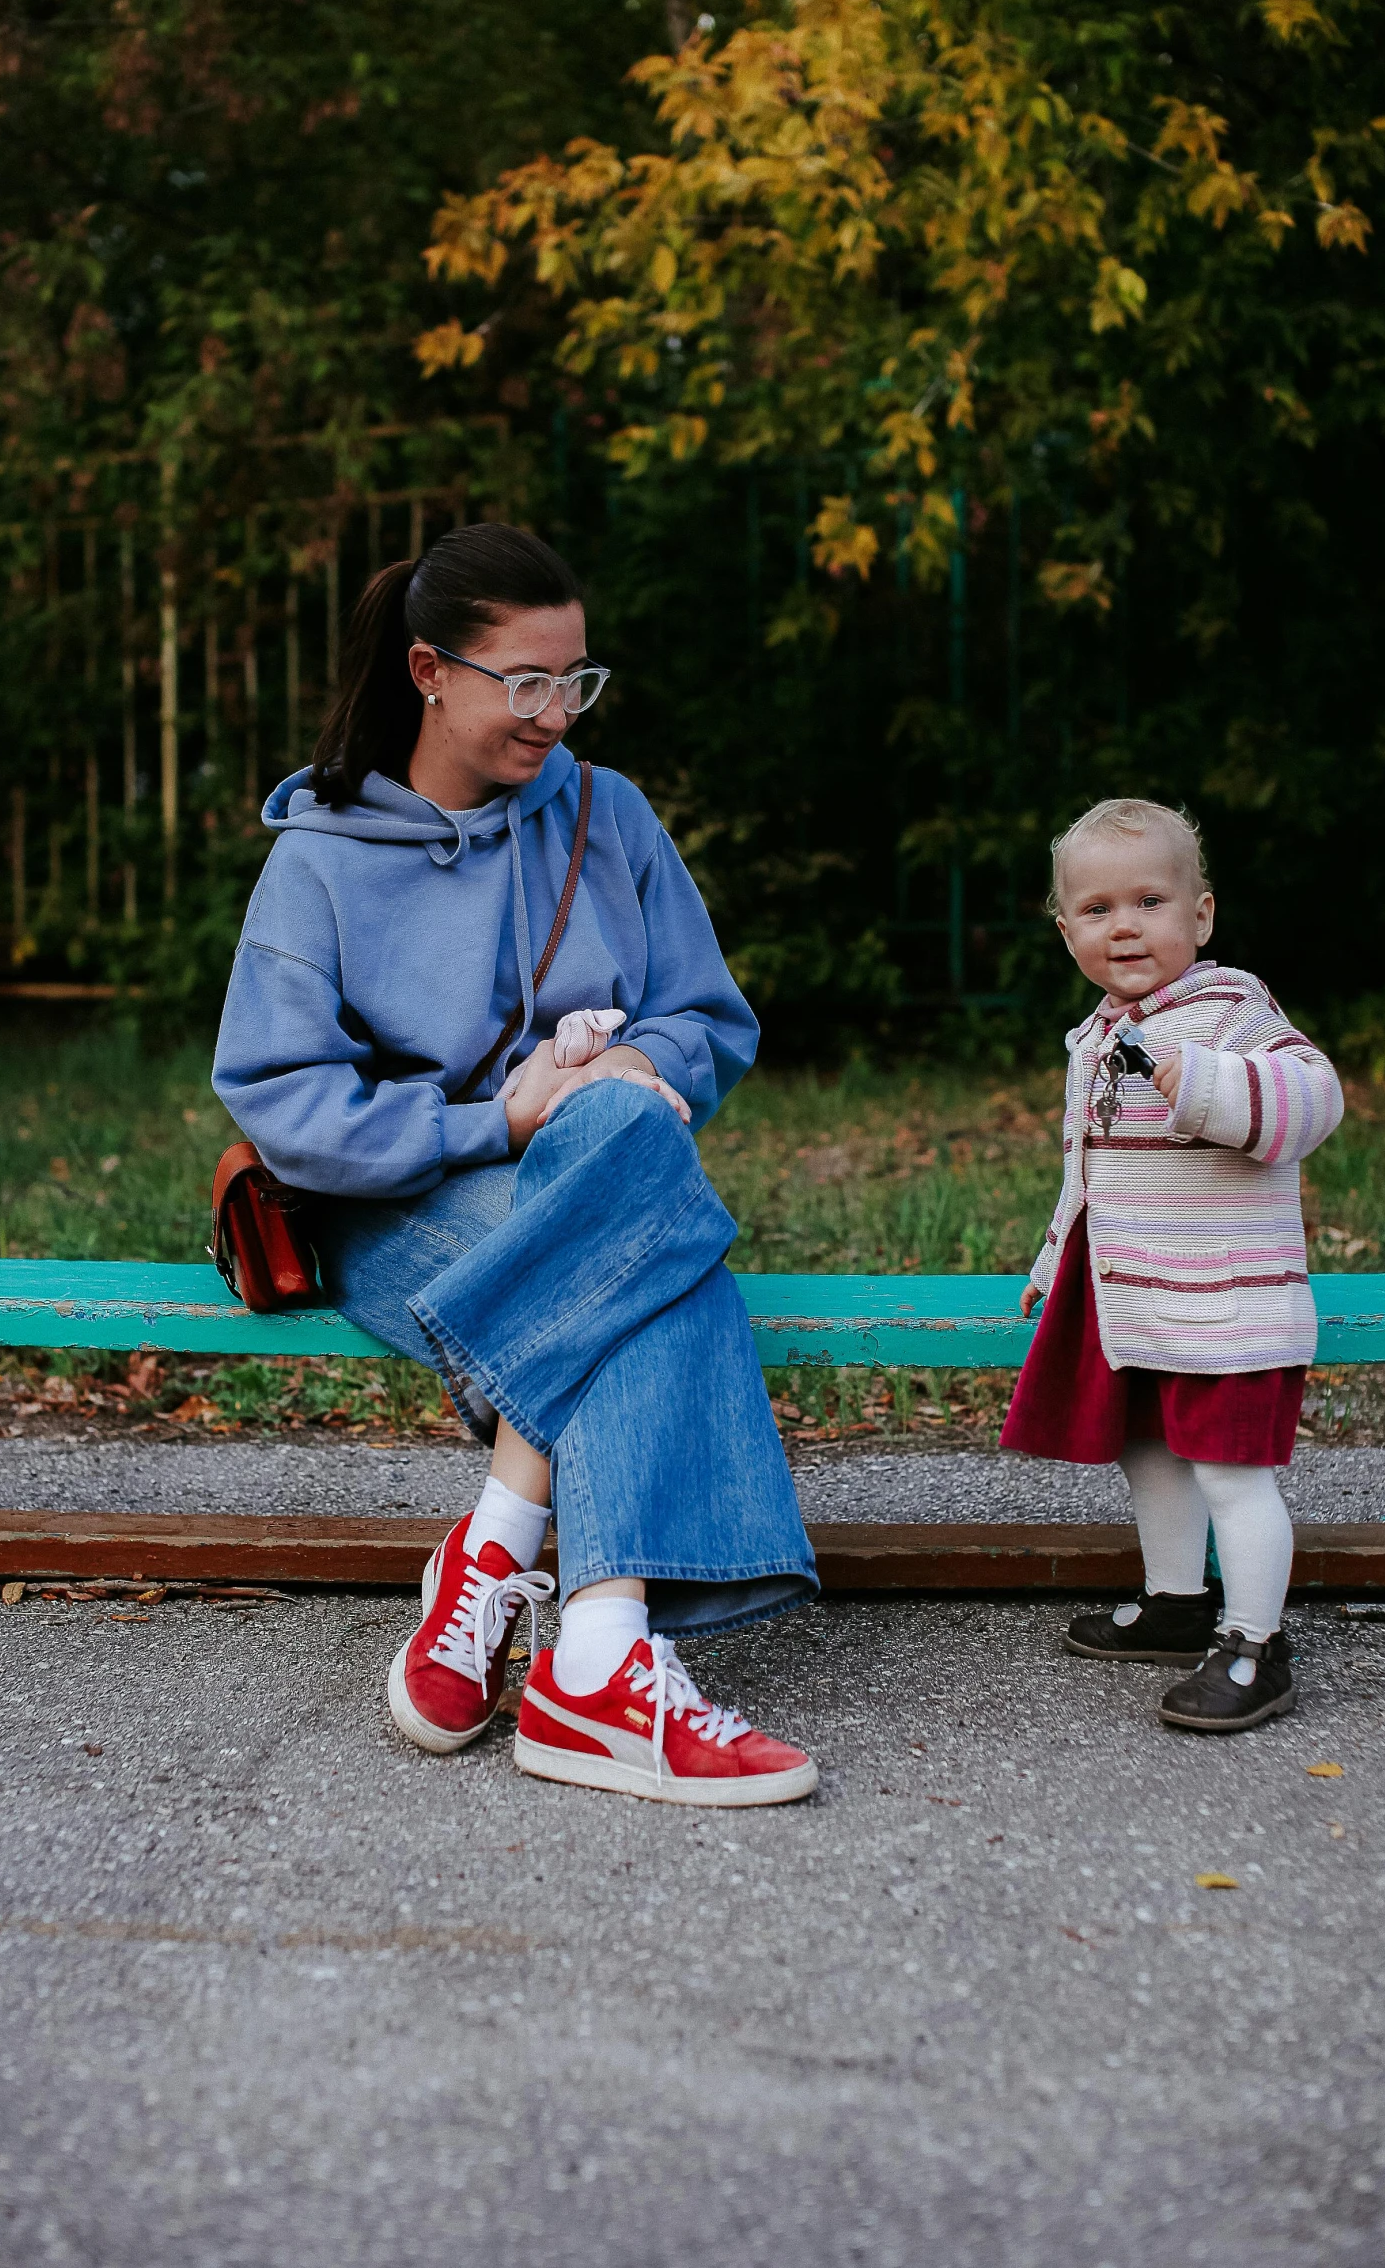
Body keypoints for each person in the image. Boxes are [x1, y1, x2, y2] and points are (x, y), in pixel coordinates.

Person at [212, 522, 819, 1806]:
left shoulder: (610, 816)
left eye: (576, 680)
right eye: (526, 681)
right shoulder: (319, 862)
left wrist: (628, 1068)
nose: (556, 713)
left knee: (623, 1135)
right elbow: (285, 1105)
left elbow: (707, 1017)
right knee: (667, 1264)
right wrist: (499, 1122)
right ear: (431, 672)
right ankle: (595, 1667)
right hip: (397, 1208)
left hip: (597, 1183)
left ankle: (517, 1570)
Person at [1000, 798, 1343, 1733]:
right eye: (1099, 908)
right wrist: (1052, 1253)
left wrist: (1200, 1084)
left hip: (1226, 1300)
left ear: (1199, 916)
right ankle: (1175, 1601)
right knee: (1148, 1453)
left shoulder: (1230, 1011)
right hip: (1138, 1298)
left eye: (1150, 900)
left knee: (1230, 1471)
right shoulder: (1100, 1033)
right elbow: (1087, 1168)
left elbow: (1312, 1103)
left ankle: (1253, 1641)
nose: (1125, 925)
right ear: (1065, 928)